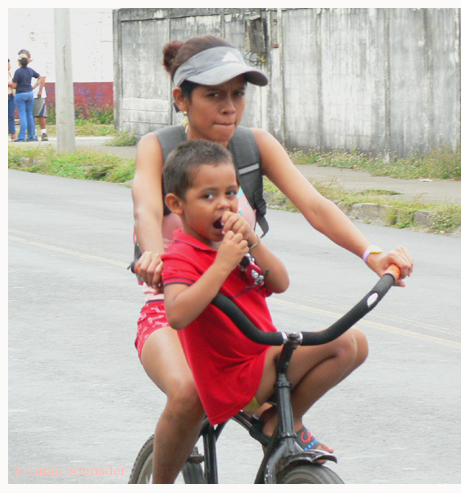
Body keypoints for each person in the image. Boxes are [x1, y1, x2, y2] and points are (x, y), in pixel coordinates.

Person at [131, 34, 414, 483]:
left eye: (238, 94)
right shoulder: (159, 148)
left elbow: (316, 207)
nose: (230, 107)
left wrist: (372, 254)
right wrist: (152, 253)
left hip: (234, 316)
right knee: (187, 394)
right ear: (181, 99)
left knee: (345, 344)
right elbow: (147, 209)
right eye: (214, 95)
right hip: (172, 309)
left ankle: (280, 423)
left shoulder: (253, 146)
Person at [160, 139, 365, 456]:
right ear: (176, 205)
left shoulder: (236, 243)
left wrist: (253, 242)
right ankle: (287, 422)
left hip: (260, 363)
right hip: (233, 380)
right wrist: (222, 265)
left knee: (357, 344)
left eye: (230, 193)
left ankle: (283, 420)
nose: (224, 204)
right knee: (343, 343)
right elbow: (176, 314)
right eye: (208, 196)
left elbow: (280, 282)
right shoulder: (180, 256)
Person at [18, 50, 48, 141]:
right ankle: (33, 133)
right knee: (31, 115)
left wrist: (39, 90)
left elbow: (42, 78)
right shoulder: (22, 67)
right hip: (28, 94)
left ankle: (44, 133)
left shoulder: (37, 64)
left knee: (41, 114)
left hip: (38, 94)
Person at [12, 53, 42, 142]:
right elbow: (40, 77)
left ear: (20, 62)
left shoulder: (18, 72)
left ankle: (21, 137)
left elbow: (14, 86)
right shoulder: (30, 70)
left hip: (20, 94)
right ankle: (31, 136)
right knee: (29, 114)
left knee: (22, 115)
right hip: (29, 93)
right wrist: (35, 86)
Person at [8, 59, 16, 141]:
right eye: (8, 64)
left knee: (11, 115)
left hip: (10, 96)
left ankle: (13, 133)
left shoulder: (9, 73)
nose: (9, 66)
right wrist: (11, 84)